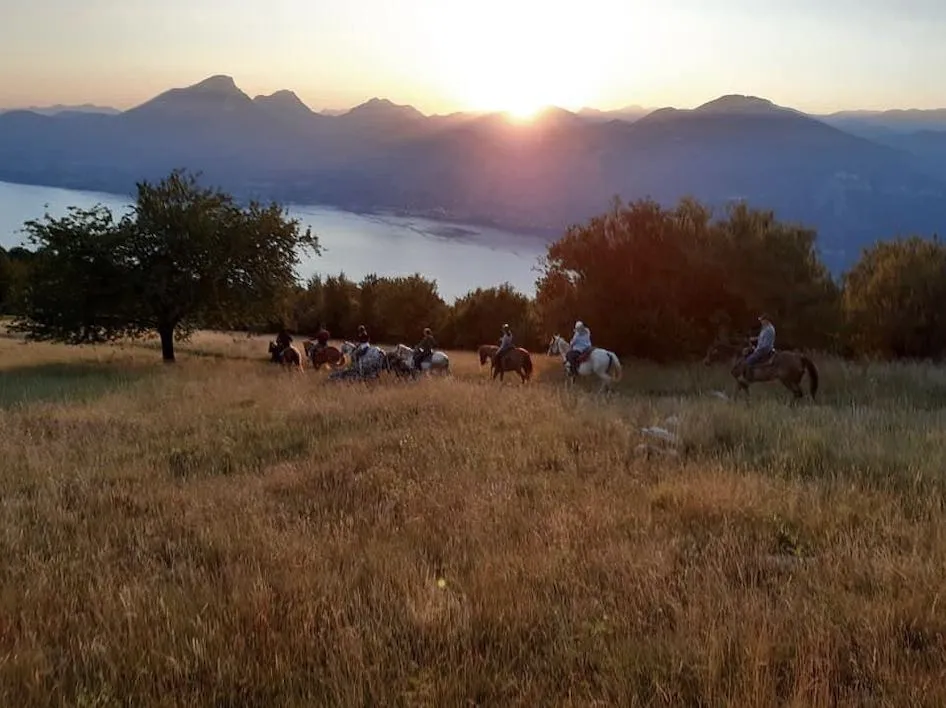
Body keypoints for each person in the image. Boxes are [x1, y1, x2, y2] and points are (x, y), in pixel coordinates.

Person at [743, 313, 776, 379]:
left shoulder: (769, 329)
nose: (761, 322)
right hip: (762, 348)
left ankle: (749, 378)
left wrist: (756, 349)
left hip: (764, 349)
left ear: (766, 320)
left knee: (749, 360)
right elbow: (762, 337)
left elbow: (765, 343)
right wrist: (754, 339)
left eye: (762, 320)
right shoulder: (765, 328)